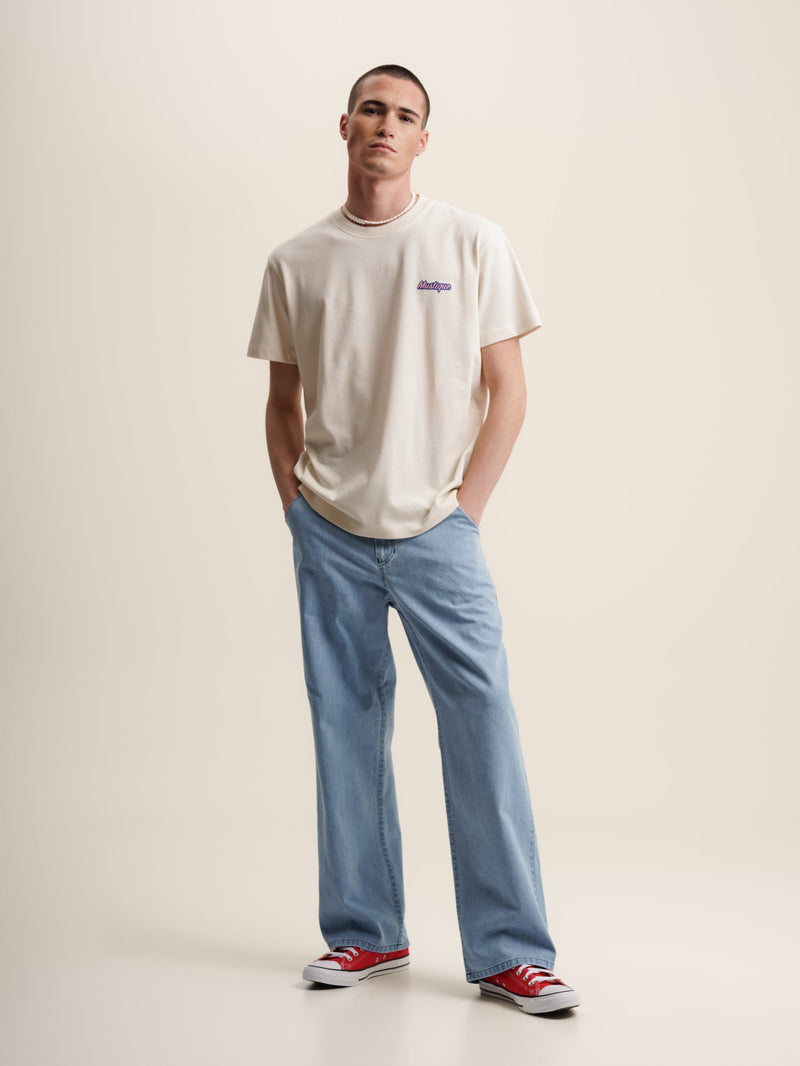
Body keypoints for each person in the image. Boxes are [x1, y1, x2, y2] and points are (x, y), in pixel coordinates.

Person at [246, 64, 579, 1015]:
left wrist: (465, 509)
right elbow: (280, 403)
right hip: (331, 533)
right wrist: (295, 508)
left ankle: (512, 952)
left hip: (440, 530)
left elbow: (508, 389)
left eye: (407, 116)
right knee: (344, 728)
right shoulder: (295, 259)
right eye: (374, 111)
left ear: (423, 140)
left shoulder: (470, 241)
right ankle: (363, 935)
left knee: (482, 727)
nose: (387, 126)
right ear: (344, 125)